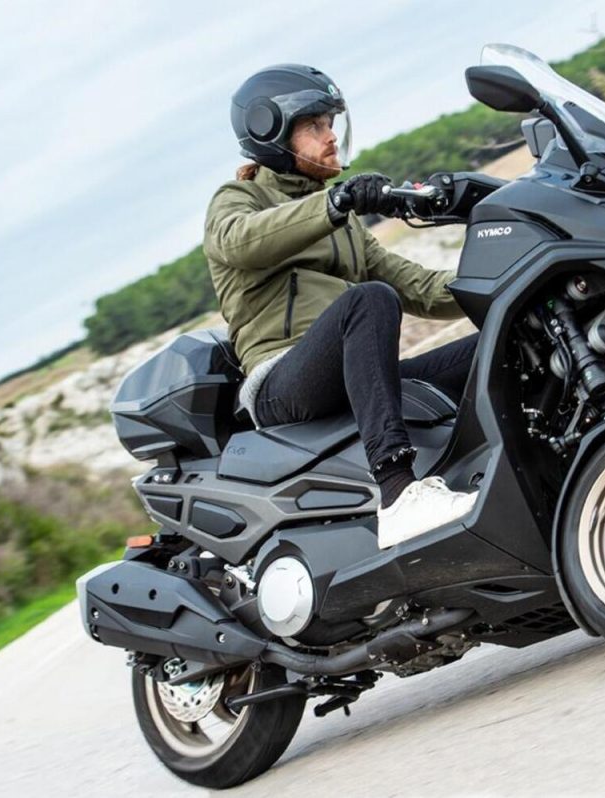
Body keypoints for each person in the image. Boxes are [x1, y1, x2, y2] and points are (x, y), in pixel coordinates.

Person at [203, 63, 479, 549]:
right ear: (271, 134)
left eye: (331, 124)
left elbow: (419, 287)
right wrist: (335, 203)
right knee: (369, 300)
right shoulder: (238, 199)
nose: (331, 136)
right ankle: (398, 494)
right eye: (315, 126)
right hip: (281, 383)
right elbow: (239, 241)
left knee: (495, 343)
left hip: (350, 376)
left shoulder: (345, 223)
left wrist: (507, 280)